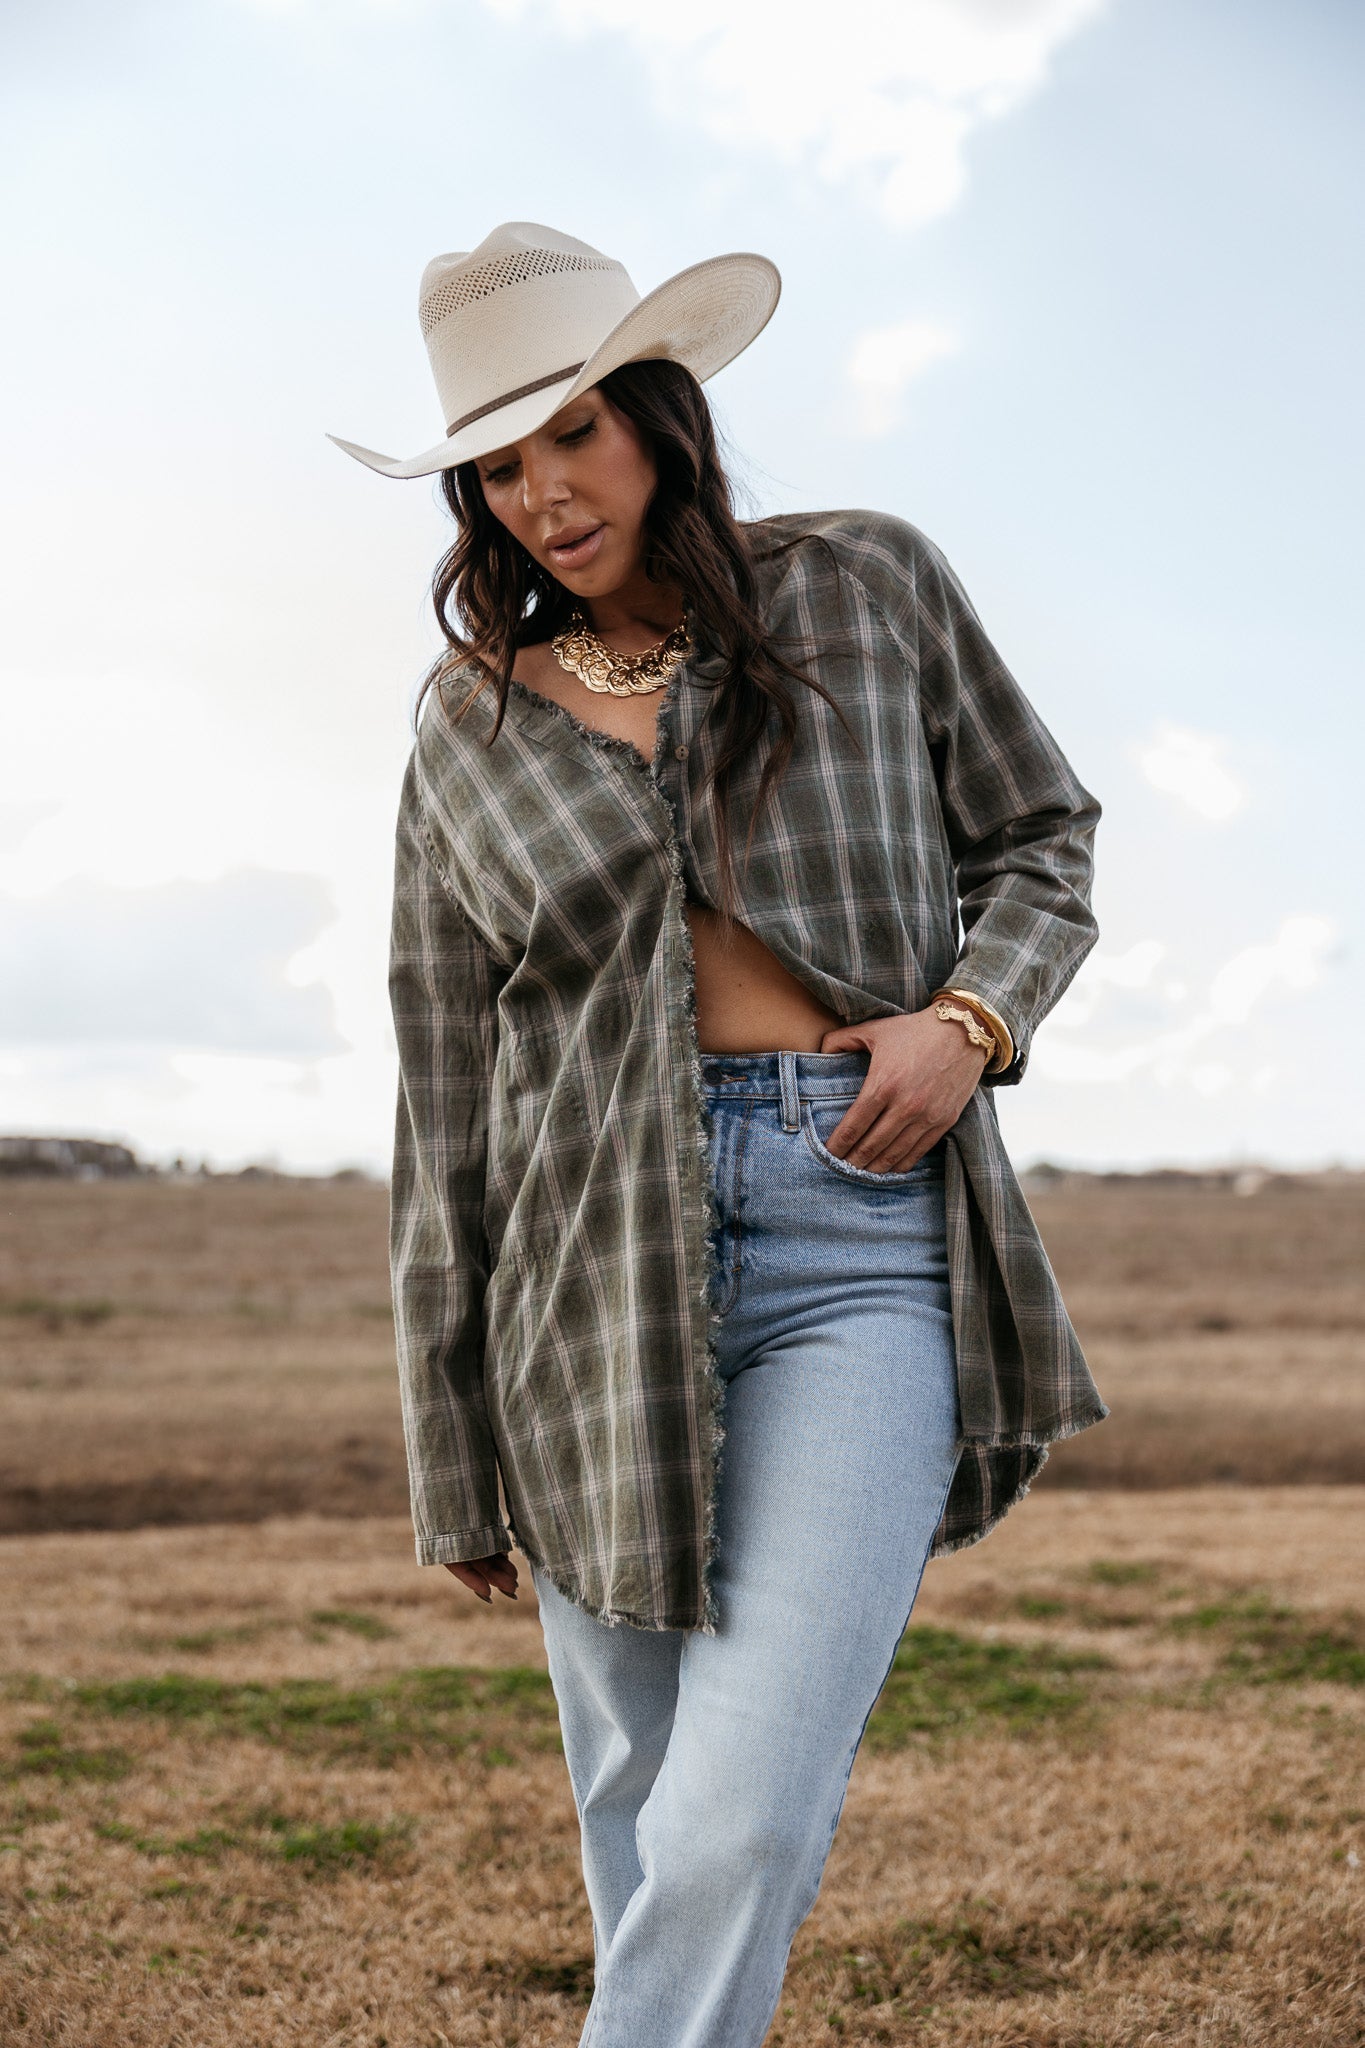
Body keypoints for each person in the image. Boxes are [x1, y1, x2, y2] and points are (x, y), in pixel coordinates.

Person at [330, 220, 1107, 2048]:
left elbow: (1040, 840)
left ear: (661, 421)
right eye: (497, 468)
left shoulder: (866, 582)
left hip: (857, 1238)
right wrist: (448, 1434)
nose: (541, 495)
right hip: (577, 1283)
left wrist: (968, 1019)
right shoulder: (463, 729)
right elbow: (445, 1089)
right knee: (634, 1807)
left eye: (574, 437)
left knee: (735, 1814)